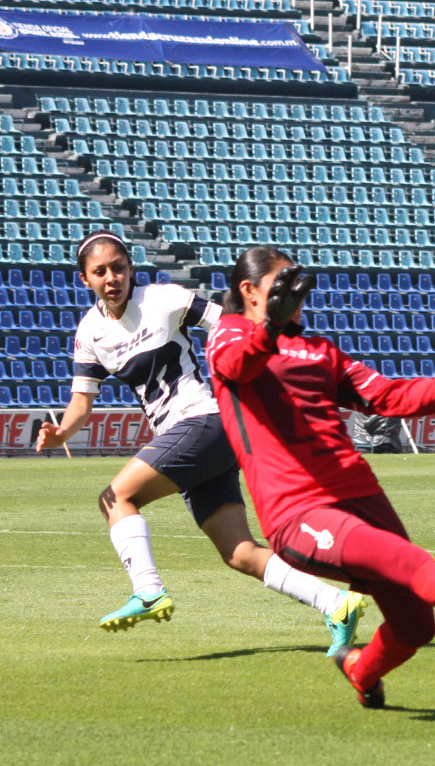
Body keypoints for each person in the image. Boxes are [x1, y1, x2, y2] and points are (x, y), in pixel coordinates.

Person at [207, 246, 435, 709]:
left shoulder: (320, 350)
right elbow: (237, 366)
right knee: (414, 566)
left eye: (297, 285)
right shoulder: (228, 335)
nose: (294, 294)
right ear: (249, 292)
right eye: (282, 285)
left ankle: (360, 670)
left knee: (417, 626)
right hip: (300, 512)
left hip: (361, 494)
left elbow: (388, 396)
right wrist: (270, 328)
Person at [34, 231, 366, 653]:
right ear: (85, 280)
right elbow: (81, 403)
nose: (112, 277)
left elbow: (229, 324)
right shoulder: (90, 333)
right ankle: (336, 603)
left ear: (131, 267)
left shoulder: (163, 298)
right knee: (240, 552)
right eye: (100, 271)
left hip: (203, 422)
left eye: (119, 266)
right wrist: (62, 430)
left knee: (117, 498)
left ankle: (149, 590)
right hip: (197, 439)